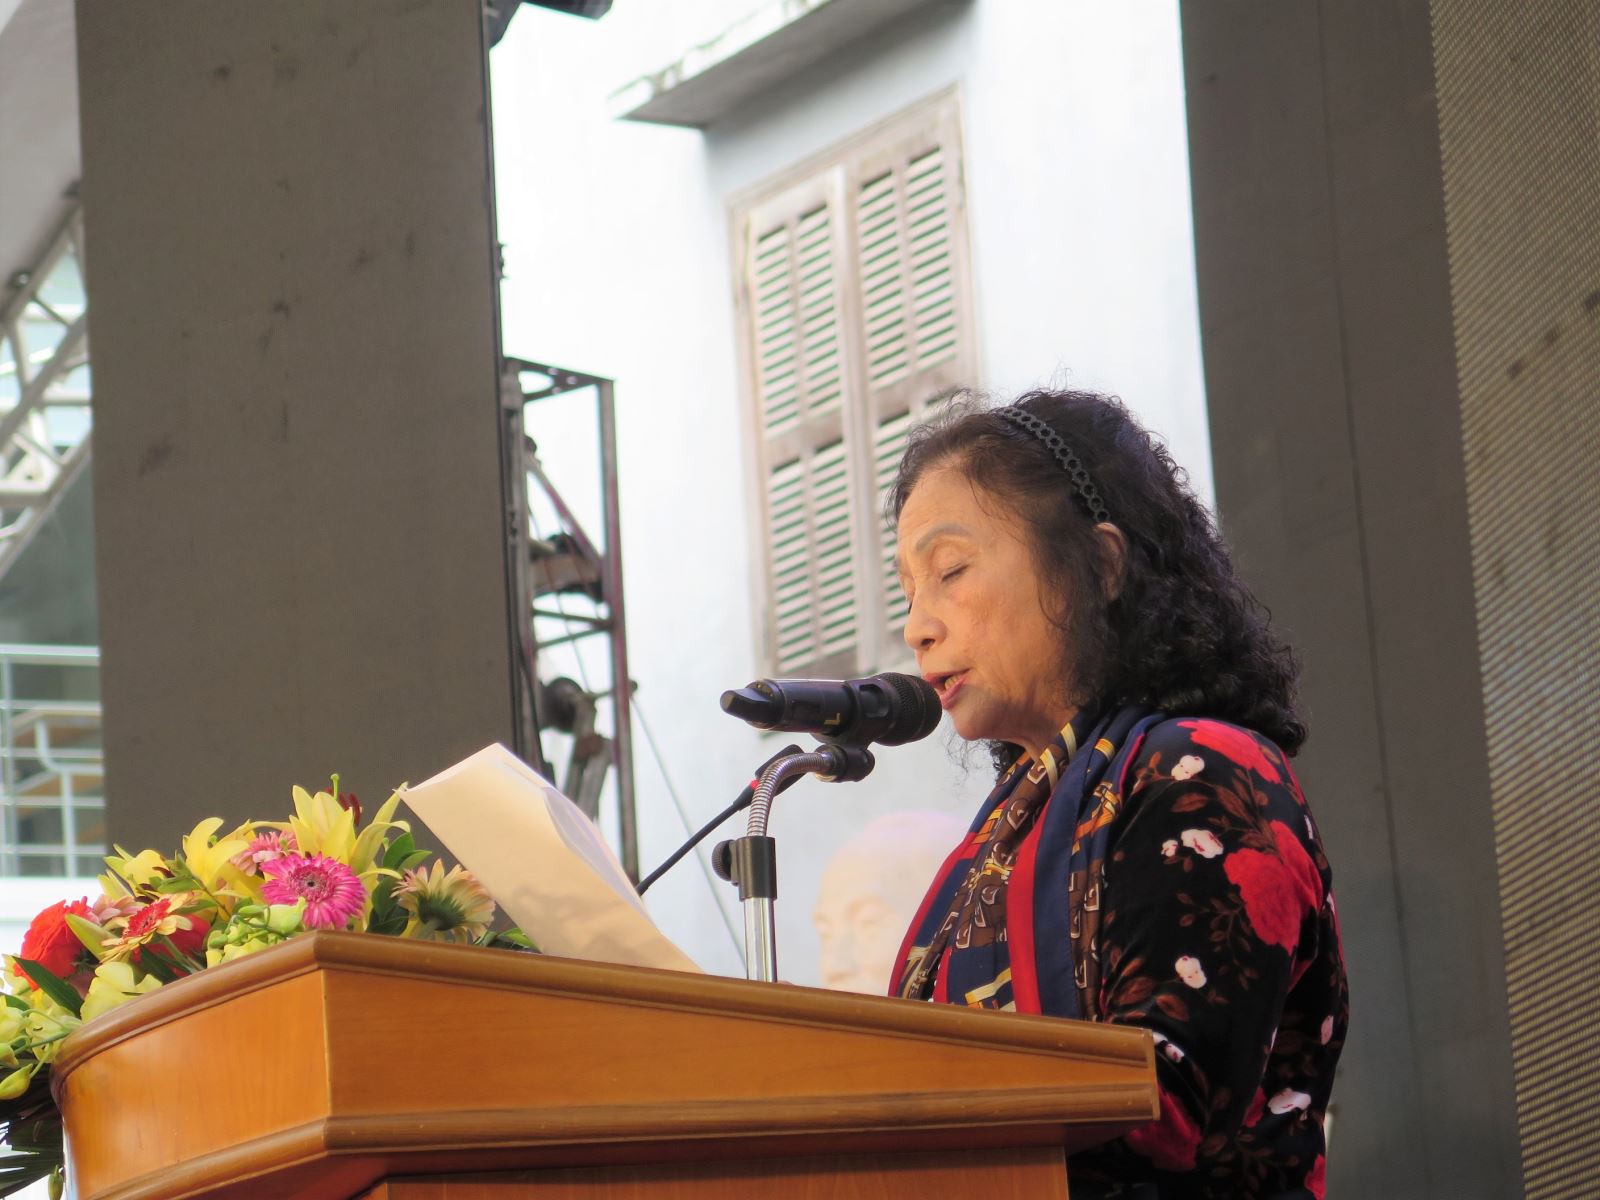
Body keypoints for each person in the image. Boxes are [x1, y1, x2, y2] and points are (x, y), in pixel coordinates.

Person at [886, 389, 1347, 1199]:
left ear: (1098, 565)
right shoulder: (1003, 835)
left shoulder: (1206, 772)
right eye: (908, 591)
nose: (917, 626)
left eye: (950, 571)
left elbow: (1157, 1105)